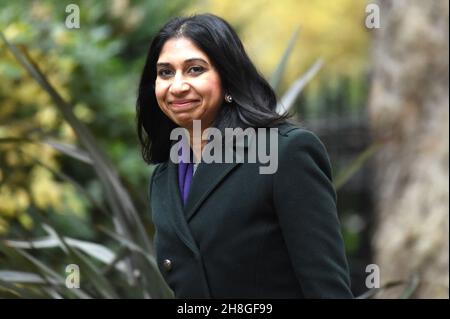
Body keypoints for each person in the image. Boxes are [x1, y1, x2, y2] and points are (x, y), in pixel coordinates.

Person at [136, 13, 353, 298]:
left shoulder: (284, 153)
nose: (177, 86)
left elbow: (327, 289)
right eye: (165, 72)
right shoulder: (164, 176)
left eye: (195, 69)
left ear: (227, 77)